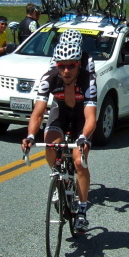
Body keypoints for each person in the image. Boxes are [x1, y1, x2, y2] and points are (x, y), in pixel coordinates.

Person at [21, 37, 97, 232]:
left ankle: (82, 211)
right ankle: (58, 179)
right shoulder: (49, 78)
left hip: (81, 117)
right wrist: (30, 136)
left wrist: (83, 137)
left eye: (71, 66)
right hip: (60, 113)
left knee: (79, 161)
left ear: (78, 64)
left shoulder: (88, 80)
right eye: (62, 66)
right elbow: (38, 113)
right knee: (50, 145)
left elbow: (90, 118)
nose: (66, 71)